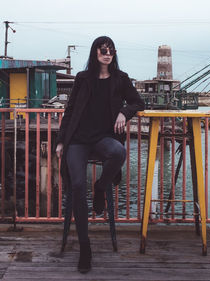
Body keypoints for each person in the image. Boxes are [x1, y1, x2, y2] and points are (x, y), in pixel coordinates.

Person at [55, 36, 145, 273]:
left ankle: (100, 187)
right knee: (76, 186)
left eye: (111, 50)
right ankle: (85, 247)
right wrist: (61, 141)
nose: (107, 53)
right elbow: (70, 109)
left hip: (103, 138)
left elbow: (138, 101)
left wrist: (125, 112)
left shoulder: (120, 79)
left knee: (119, 152)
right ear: (95, 53)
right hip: (78, 140)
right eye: (103, 50)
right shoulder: (83, 78)